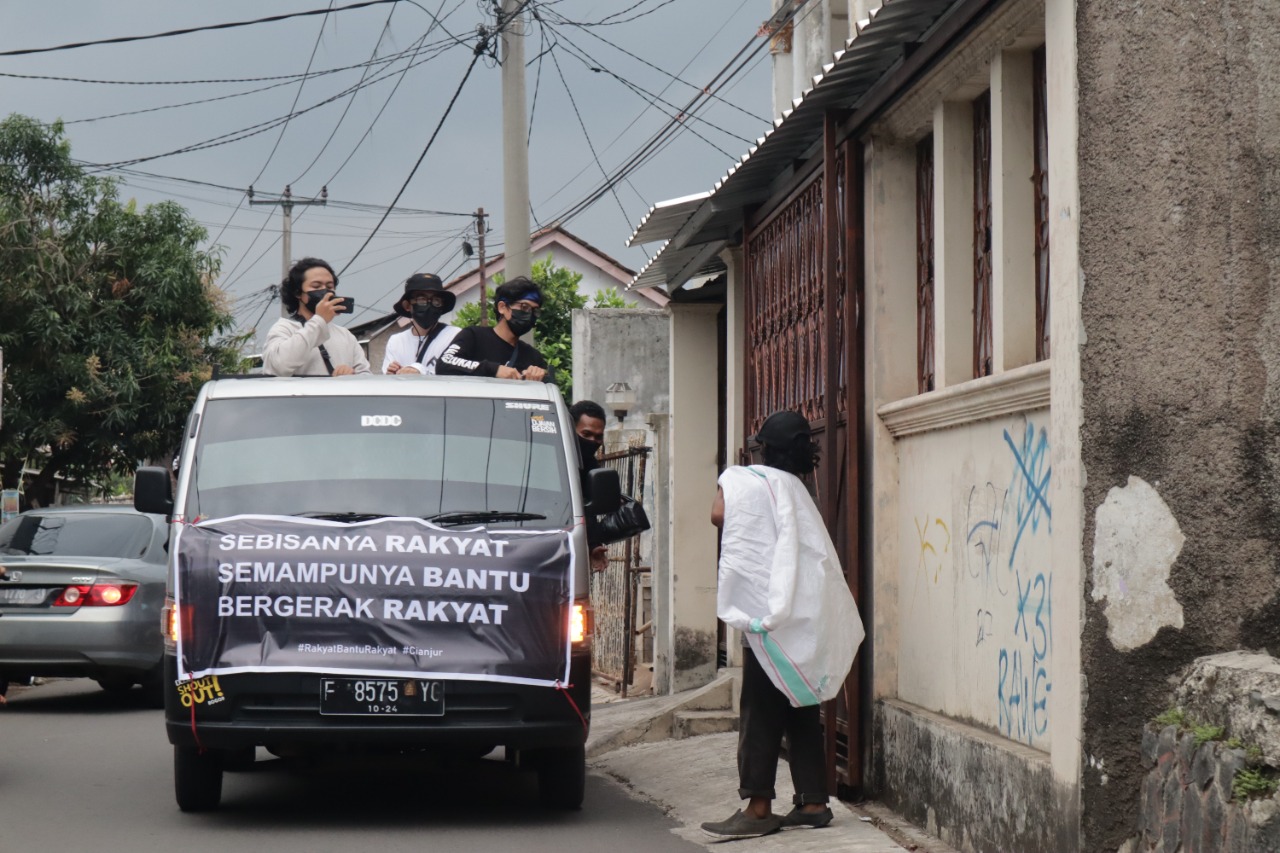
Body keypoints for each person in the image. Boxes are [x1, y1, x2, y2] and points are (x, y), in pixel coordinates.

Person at [701, 410, 854, 841]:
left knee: (760, 711)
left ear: (762, 447)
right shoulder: (799, 491)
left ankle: (757, 806)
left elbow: (718, 515)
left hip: (767, 615)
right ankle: (812, 801)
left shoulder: (748, 481)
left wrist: (733, 479)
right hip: (801, 616)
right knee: (800, 707)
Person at [262, 257, 371, 377]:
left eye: (329, 286)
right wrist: (319, 320)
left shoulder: (345, 335)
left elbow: (366, 376)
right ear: (298, 293)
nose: (324, 291)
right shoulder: (284, 328)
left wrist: (352, 375)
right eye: (316, 286)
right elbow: (279, 366)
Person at [436, 277, 551, 382]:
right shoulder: (473, 336)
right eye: (524, 307)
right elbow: (445, 362)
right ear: (502, 307)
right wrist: (494, 370)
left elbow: (550, 385)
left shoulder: (533, 356)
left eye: (535, 311)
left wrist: (539, 375)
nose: (529, 314)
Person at [381, 273, 461, 376]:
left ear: (441, 305)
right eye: (421, 300)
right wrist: (391, 374)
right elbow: (388, 382)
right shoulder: (396, 341)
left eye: (436, 300)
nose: (429, 305)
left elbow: (457, 375)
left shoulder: (455, 336)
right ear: (407, 306)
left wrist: (419, 371)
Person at [570, 400, 609, 573]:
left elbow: (588, 508)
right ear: (571, 429)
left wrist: (594, 546)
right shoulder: (547, 455)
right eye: (586, 434)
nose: (593, 441)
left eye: (598, 436)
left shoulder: (591, 468)